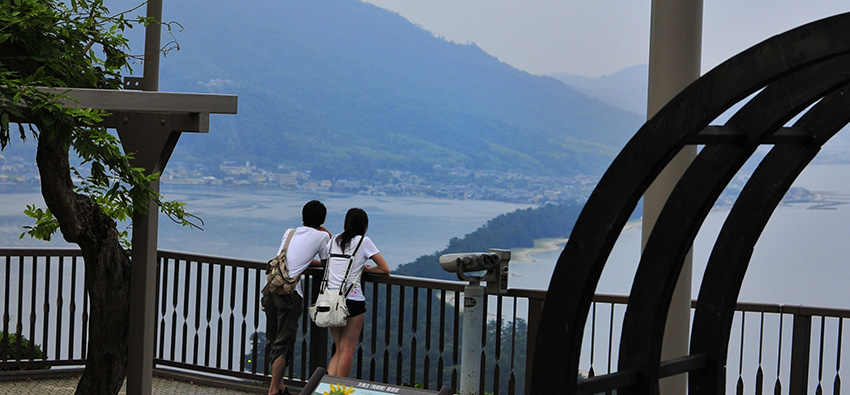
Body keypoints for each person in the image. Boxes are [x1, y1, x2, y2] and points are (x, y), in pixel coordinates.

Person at [264, 200, 331, 395]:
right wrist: (325, 232)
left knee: (274, 338)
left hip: (270, 289)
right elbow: (328, 263)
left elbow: (294, 256)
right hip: (289, 295)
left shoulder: (289, 232)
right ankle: (273, 390)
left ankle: (280, 386)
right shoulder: (321, 237)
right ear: (322, 220)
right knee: (283, 343)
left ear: (302, 217)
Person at [325, 208, 390, 377]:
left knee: (338, 348)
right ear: (364, 226)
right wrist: (365, 269)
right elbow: (384, 269)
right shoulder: (364, 241)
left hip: (330, 299)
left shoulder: (334, 240)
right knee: (347, 349)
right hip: (352, 299)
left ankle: (328, 389)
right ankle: (340, 389)